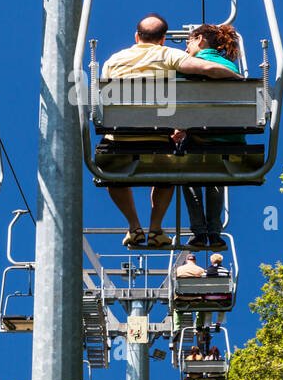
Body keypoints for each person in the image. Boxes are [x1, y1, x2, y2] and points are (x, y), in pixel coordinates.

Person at [99, 14, 239, 248]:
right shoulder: (169, 54)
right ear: (163, 39)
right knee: (167, 172)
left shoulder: (113, 60)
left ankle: (134, 226)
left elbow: (103, 99)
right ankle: (155, 229)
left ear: (136, 36)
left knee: (111, 173)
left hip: (118, 137)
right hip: (156, 138)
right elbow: (207, 68)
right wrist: (237, 77)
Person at [173, 24, 241, 251]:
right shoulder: (230, 66)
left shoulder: (190, 65)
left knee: (186, 173)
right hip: (230, 139)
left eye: (188, 42)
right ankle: (214, 232)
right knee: (215, 176)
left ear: (200, 39)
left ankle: (199, 231)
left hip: (202, 138)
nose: (186, 48)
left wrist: (182, 126)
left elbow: (181, 100)